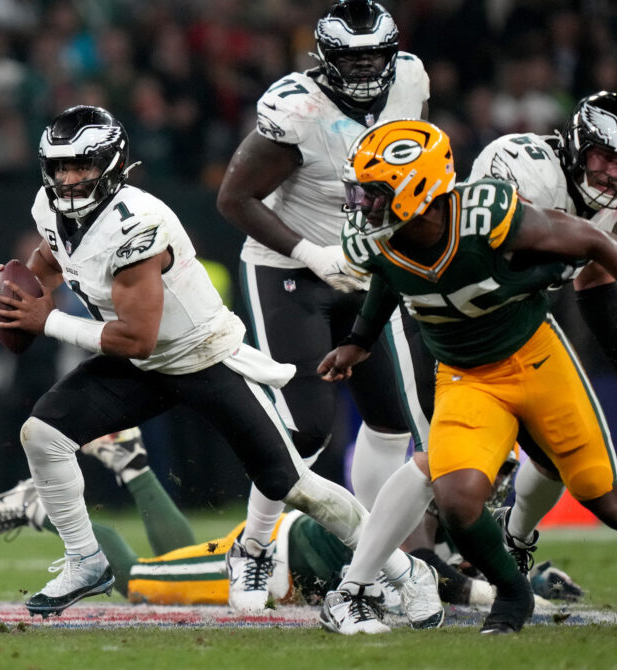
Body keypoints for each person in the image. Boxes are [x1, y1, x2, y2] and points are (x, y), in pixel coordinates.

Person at [0, 105, 442, 625]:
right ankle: (86, 561)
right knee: (43, 435)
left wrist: (45, 320)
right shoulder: (50, 206)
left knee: (294, 485)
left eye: (82, 167)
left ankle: (408, 571)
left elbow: (138, 338)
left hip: (200, 356)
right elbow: (54, 256)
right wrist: (18, 291)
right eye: (60, 167)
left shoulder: (139, 225)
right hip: (142, 362)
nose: (69, 180)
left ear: (112, 165)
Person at [316, 118, 617, 635]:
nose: (361, 205)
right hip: (465, 376)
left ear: (416, 191)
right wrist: (360, 340)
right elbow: (392, 275)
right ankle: (513, 592)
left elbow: (598, 245)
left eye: (372, 192)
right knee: (457, 499)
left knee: (602, 493)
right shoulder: (375, 241)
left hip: (536, 359)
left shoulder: (485, 214)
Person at [215, 0, 432, 611]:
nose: (364, 71)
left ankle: (367, 556)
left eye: (373, 57)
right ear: (324, 58)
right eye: (351, 58)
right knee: (308, 422)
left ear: (392, 55)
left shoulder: (411, 80)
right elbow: (234, 199)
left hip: (368, 268)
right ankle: (254, 546)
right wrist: (312, 254)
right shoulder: (298, 110)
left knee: (392, 420)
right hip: (289, 268)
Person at [0, 429, 413, 612]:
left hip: (286, 554)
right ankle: (36, 505)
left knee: (172, 562)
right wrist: (480, 587)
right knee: (141, 581)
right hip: (280, 562)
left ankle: (132, 464)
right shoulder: (444, 498)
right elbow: (429, 561)